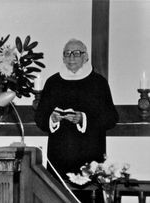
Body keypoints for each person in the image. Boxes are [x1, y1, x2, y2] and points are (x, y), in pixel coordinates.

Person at [34, 39, 119, 202]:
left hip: (90, 157)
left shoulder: (98, 83)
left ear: (85, 57)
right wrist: (52, 119)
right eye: (67, 53)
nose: (71, 57)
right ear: (63, 58)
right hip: (59, 158)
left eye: (76, 53)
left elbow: (111, 118)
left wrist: (83, 118)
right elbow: (40, 118)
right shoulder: (53, 82)